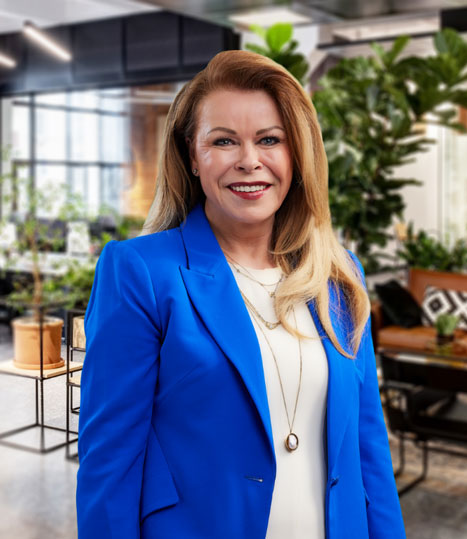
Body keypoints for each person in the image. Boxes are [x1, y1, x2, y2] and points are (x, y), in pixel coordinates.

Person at [76, 49, 406, 539]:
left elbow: (368, 447)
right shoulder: (141, 273)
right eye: (224, 141)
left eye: (270, 140)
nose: (249, 161)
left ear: (296, 154)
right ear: (192, 154)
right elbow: (110, 462)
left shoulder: (337, 274)